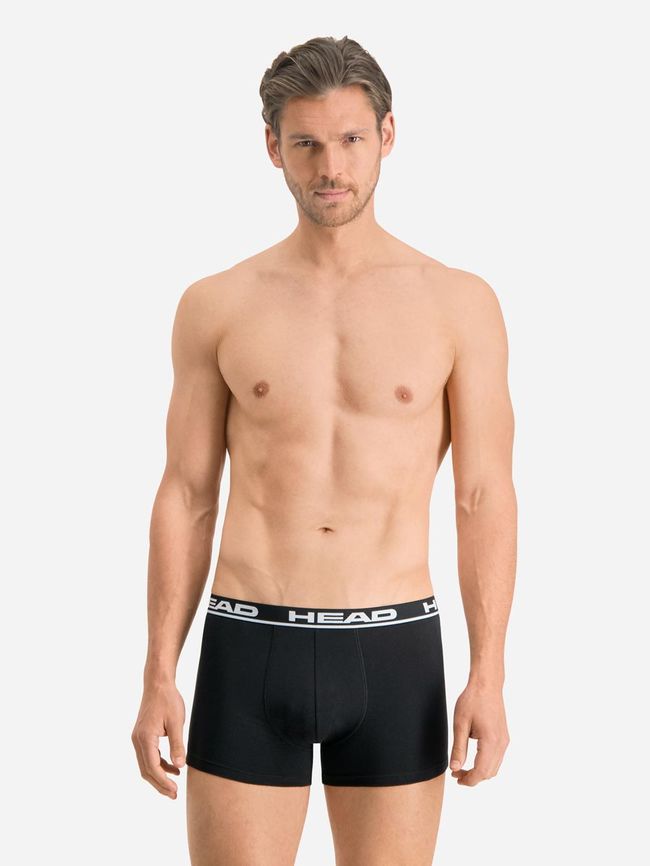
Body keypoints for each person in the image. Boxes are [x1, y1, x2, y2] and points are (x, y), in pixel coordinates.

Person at [131, 34, 517, 866]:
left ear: (387, 135)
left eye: (350, 139)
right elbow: (187, 493)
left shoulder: (457, 305)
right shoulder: (218, 304)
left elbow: (482, 495)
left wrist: (488, 674)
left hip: (394, 646)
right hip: (247, 641)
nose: (330, 166)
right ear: (273, 147)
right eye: (306, 142)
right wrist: (159, 671)